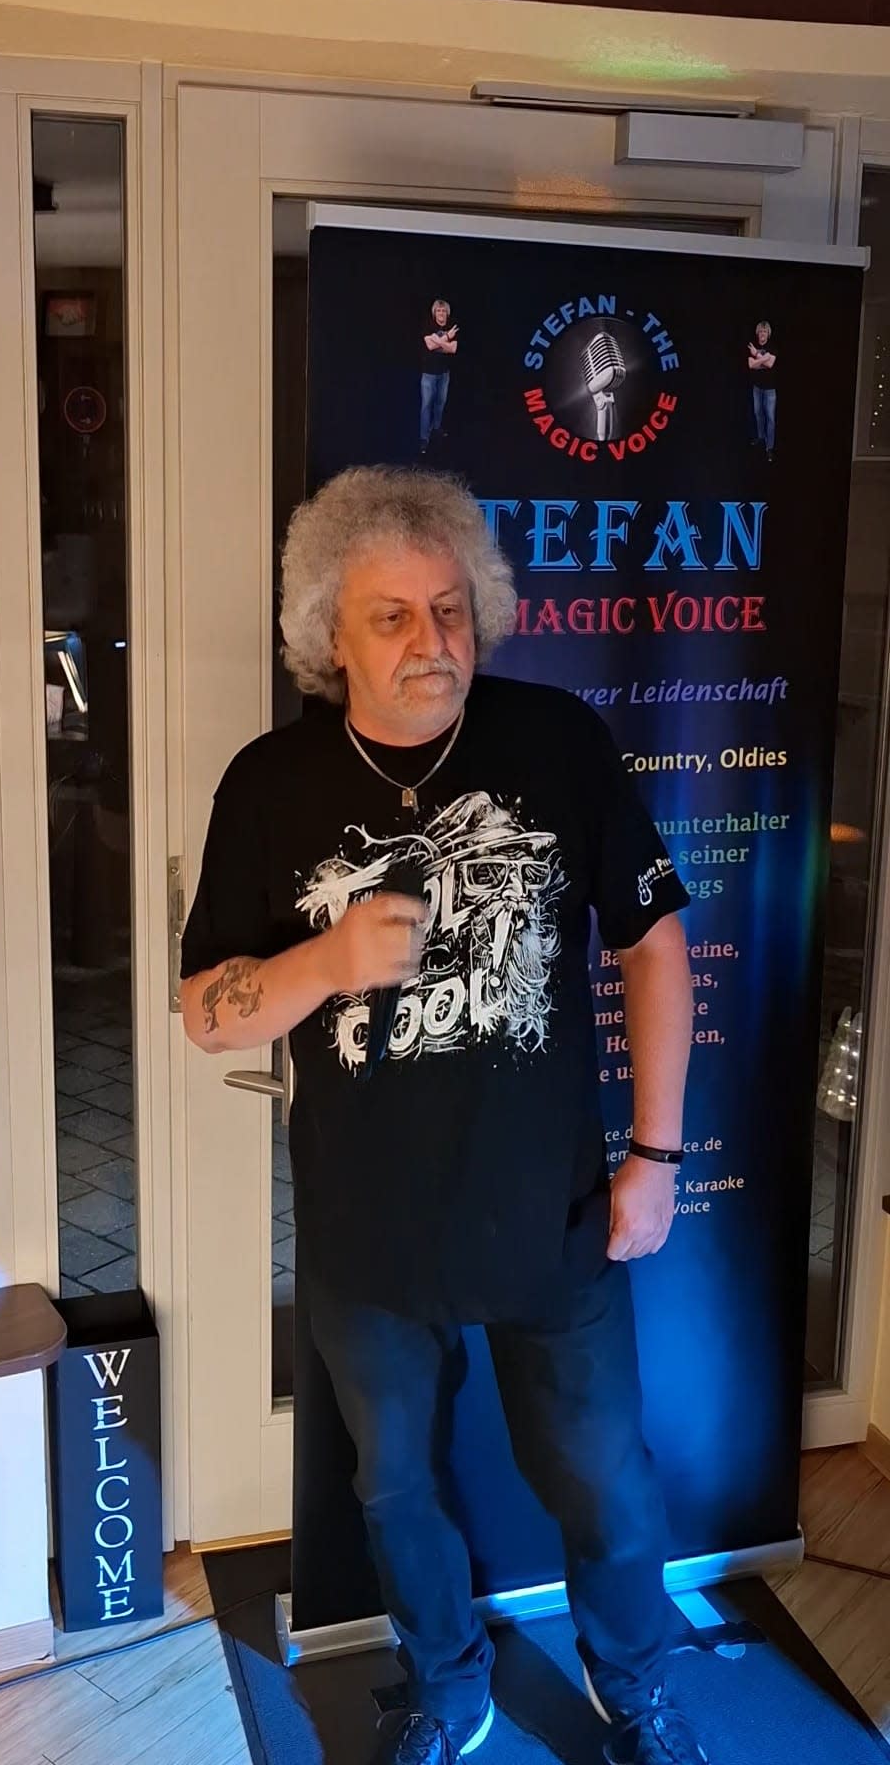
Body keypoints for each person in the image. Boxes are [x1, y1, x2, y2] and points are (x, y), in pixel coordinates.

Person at [181, 467, 709, 1765]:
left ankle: (636, 1684)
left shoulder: (557, 741)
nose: (433, 640)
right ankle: (449, 1684)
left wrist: (657, 1154)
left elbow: (653, 946)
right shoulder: (270, 783)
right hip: (366, 1232)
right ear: (329, 635)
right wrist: (329, 959)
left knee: (606, 1480)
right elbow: (207, 1013)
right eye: (393, 616)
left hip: (555, 1212)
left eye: (451, 608)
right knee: (397, 1487)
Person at [420, 298, 458, 454]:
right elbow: (429, 346)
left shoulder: (452, 326)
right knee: (426, 406)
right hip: (428, 374)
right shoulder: (427, 325)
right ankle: (424, 438)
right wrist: (447, 338)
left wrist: (438, 341)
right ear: (434, 313)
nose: (441, 313)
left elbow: (453, 349)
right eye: (438, 310)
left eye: (443, 311)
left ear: (447, 313)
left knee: (440, 403)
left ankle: (436, 428)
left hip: (444, 374)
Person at [748, 320, 777, 461]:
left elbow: (770, 364)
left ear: (768, 333)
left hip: (770, 390)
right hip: (757, 388)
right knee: (758, 414)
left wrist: (757, 356)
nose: (762, 334)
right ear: (757, 333)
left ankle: (769, 447)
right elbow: (751, 365)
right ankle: (761, 437)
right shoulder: (752, 346)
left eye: (764, 331)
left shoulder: (773, 346)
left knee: (770, 419)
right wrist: (764, 358)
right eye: (760, 331)